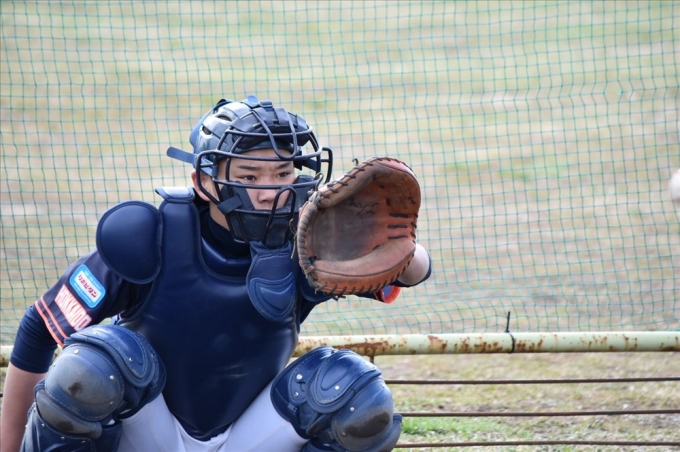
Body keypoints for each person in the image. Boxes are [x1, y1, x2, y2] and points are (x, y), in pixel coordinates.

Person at [0, 95, 432, 452]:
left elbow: (411, 273)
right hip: (145, 429)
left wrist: (397, 248)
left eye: (283, 173)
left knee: (354, 393)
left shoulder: (309, 242)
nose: (271, 192)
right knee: (93, 368)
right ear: (203, 181)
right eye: (249, 176)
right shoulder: (149, 237)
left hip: (250, 432)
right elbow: (40, 327)